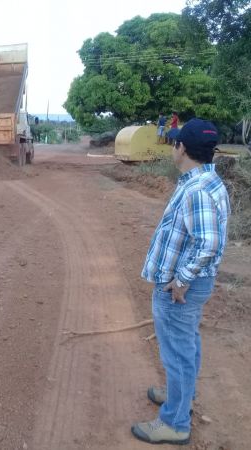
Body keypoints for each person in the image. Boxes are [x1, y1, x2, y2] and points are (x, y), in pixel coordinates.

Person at [132, 118, 230, 445]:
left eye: (175, 142)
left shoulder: (197, 190)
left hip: (180, 287)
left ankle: (175, 422)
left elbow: (209, 242)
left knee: (176, 352)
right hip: (191, 283)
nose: (173, 147)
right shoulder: (206, 180)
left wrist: (181, 280)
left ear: (182, 148)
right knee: (186, 343)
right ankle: (181, 393)